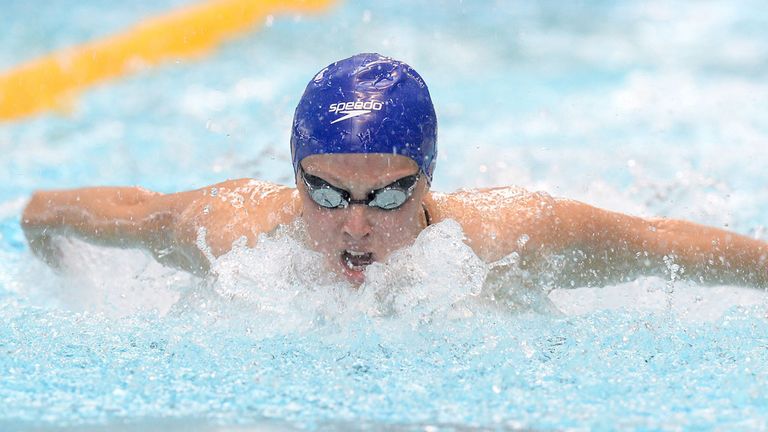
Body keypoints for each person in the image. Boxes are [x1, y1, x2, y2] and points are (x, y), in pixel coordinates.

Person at [21, 53, 768, 289]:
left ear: (430, 185)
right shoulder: (229, 235)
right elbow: (71, 210)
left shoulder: (506, 243)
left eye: (386, 197)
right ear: (293, 178)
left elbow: (662, 240)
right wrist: (48, 248)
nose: (353, 225)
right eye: (324, 192)